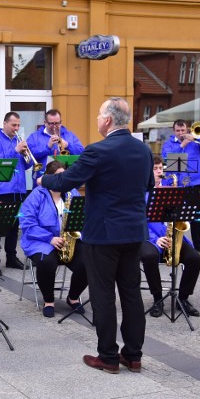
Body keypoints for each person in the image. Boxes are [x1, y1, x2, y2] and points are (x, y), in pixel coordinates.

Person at [40, 97, 154, 374]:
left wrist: (44, 179)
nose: (97, 120)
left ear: (107, 120)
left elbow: (66, 181)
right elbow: (148, 184)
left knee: (103, 295)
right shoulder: (144, 150)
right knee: (131, 294)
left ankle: (109, 357)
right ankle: (134, 355)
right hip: (133, 233)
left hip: (103, 235)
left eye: (99, 116)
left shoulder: (98, 150)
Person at [20, 160, 88, 318]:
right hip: (40, 241)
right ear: (48, 178)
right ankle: (49, 301)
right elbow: (27, 224)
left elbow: (82, 218)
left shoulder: (72, 193)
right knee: (47, 262)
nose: (63, 179)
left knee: (89, 262)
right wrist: (50, 238)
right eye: (58, 176)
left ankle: (73, 298)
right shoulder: (36, 195)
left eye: (65, 176)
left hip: (68, 239)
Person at [142, 156, 200, 318]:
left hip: (173, 236)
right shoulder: (141, 194)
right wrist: (155, 239)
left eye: (161, 168)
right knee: (149, 256)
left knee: (194, 258)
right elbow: (139, 222)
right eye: (155, 169)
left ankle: (182, 298)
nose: (159, 172)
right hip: (149, 238)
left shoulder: (171, 191)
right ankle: (157, 299)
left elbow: (183, 215)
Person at [0, 111, 34, 275]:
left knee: (14, 227)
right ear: (5, 124)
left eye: (18, 125)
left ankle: (11, 258)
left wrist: (27, 156)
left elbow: (26, 166)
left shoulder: (19, 141)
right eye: (14, 125)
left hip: (19, 190)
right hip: (2, 190)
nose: (16, 128)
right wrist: (15, 150)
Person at [161, 119, 200, 254]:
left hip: (193, 183)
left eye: (183, 130)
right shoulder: (168, 144)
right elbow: (167, 158)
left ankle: (199, 244)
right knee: (175, 215)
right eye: (178, 131)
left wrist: (198, 137)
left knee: (196, 214)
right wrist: (182, 146)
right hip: (176, 185)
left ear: (187, 130)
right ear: (174, 131)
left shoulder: (195, 143)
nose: (180, 133)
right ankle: (175, 244)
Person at [27, 109, 84, 179]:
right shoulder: (35, 137)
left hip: (66, 179)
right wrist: (47, 147)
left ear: (61, 122)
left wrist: (68, 145)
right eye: (51, 123)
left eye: (57, 123)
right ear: (45, 122)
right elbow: (29, 155)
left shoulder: (69, 135)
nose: (54, 126)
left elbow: (82, 152)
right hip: (43, 180)